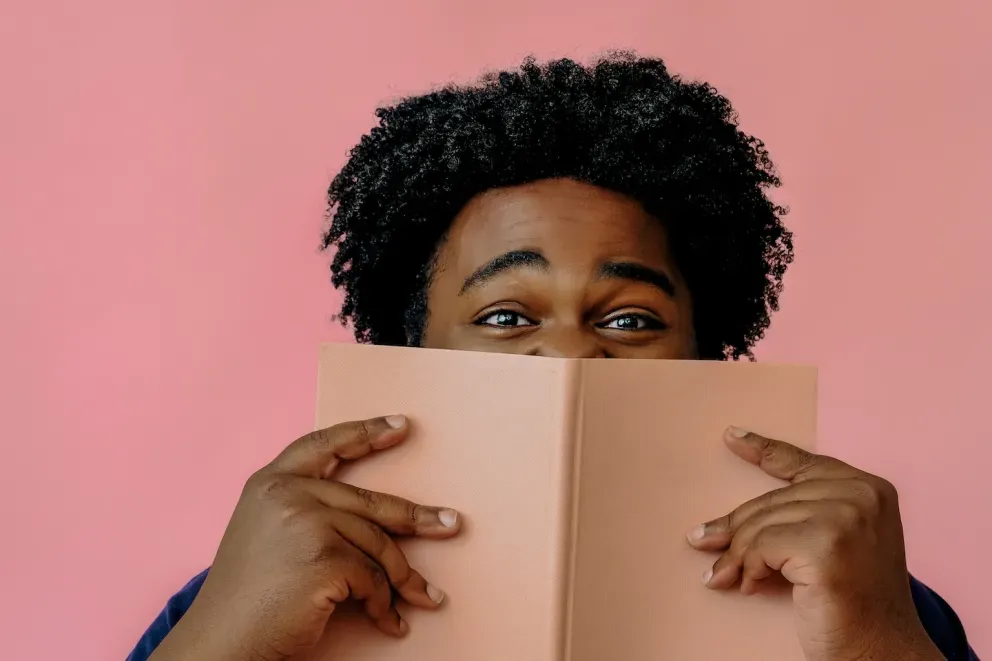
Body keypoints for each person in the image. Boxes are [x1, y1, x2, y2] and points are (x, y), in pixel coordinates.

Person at [128, 54, 978, 661]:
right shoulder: (242, 598)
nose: (568, 354)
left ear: (709, 356)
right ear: (409, 349)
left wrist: (881, 645)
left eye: (634, 319)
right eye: (503, 313)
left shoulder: (868, 599)